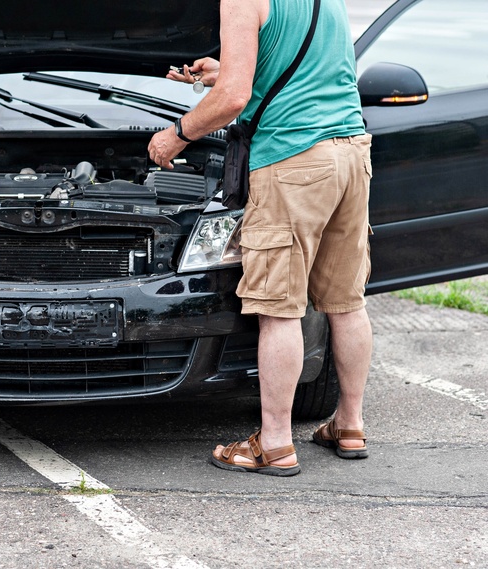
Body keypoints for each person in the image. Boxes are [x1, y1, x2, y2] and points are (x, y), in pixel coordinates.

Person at [148, 0, 372, 476]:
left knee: (277, 307)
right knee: (346, 302)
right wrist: (228, 68)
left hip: (294, 159)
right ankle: (349, 425)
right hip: (350, 152)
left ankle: (273, 444)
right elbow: (309, 69)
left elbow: (233, 98)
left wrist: (177, 135)